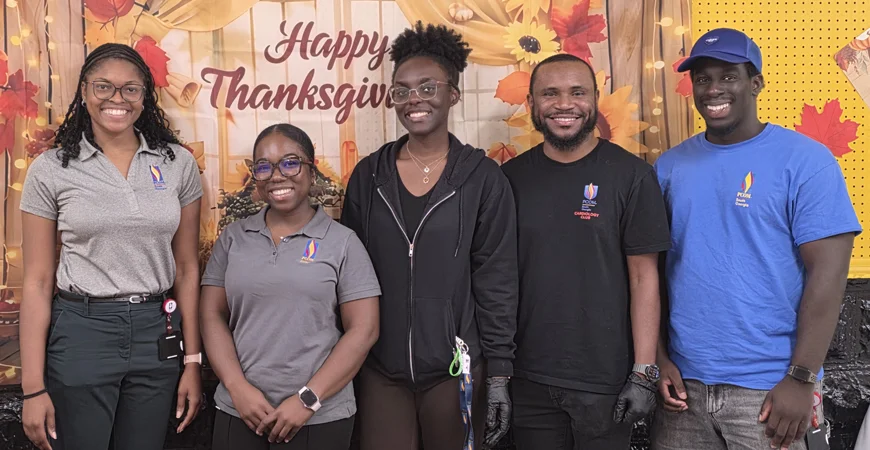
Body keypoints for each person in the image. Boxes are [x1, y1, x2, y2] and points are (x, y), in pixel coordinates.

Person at [652, 28, 862, 450]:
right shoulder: (670, 166)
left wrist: (801, 377)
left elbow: (829, 274)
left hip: (771, 391)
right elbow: (651, 272)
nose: (713, 89)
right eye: (703, 79)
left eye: (728, 76)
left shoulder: (805, 160)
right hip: (684, 391)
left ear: (756, 83)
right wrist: (658, 359)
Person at [341, 21, 518, 450]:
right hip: (379, 369)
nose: (413, 100)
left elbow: (497, 279)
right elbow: (347, 275)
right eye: (401, 90)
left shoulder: (482, 178)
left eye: (427, 87)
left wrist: (498, 373)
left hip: (455, 370)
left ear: (452, 93)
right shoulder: (370, 176)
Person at [19, 43, 204, 450]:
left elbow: (188, 269)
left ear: (145, 97)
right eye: (103, 87)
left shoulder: (178, 163)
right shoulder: (51, 170)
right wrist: (32, 388)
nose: (116, 99)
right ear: (84, 92)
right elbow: (35, 281)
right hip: (82, 332)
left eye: (130, 89)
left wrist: (192, 361)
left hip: (158, 332)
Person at [500, 53, 672, 450]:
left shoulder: (632, 176)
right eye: (550, 93)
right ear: (531, 104)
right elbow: (498, 277)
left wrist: (643, 371)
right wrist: (499, 374)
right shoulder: (508, 179)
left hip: (605, 382)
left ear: (595, 99)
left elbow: (645, 277)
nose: (564, 104)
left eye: (577, 92)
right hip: (528, 380)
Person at [200, 123, 381, 450]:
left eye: (290, 162)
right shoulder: (232, 238)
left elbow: (364, 330)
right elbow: (212, 314)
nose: (277, 175)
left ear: (312, 172)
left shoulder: (342, 242)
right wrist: (237, 388)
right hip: (239, 410)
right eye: (264, 166)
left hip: (319, 415)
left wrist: (307, 400)